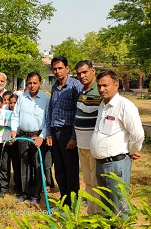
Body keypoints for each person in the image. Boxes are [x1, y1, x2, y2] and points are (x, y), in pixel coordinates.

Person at [90, 70, 144, 219]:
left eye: (105, 85)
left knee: (119, 208)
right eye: (99, 86)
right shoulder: (103, 105)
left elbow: (137, 134)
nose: (101, 89)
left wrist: (133, 151)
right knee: (106, 206)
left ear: (116, 84)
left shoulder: (125, 106)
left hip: (116, 164)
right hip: (100, 164)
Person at [46, 56, 82, 208]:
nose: (57, 71)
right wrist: (49, 132)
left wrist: (73, 137)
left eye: (60, 68)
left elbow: (78, 112)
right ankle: (64, 200)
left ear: (67, 69)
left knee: (71, 170)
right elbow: (51, 110)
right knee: (59, 169)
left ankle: (73, 204)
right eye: (54, 69)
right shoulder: (55, 87)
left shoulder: (75, 86)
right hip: (55, 133)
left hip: (68, 133)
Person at [9, 72, 50, 205]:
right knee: (24, 165)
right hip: (23, 136)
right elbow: (15, 116)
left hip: (38, 137)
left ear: (40, 83)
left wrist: (42, 137)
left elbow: (48, 121)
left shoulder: (45, 99)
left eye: (35, 83)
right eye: (29, 83)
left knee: (37, 166)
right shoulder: (21, 98)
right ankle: (25, 193)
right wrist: (14, 130)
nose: (32, 86)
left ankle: (35, 195)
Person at [74, 60, 102, 215]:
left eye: (85, 72)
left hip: (93, 146)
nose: (82, 76)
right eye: (79, 74)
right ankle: (90, 214)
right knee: (88, 182)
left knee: (96, 183)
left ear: (93, 71)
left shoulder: (99, 92)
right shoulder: (83, 92)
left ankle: (98, 215)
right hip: (82, 145)